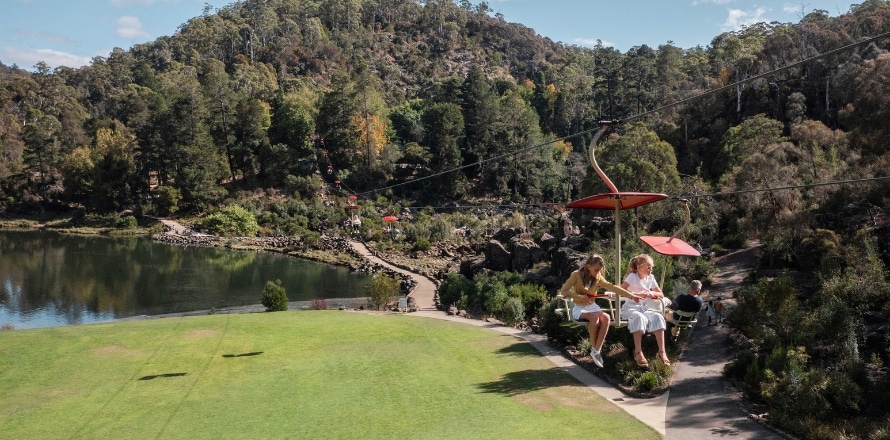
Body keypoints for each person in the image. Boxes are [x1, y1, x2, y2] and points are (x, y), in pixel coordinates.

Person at [559, 254, 642, 368]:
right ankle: (595, 349)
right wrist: (579, 297)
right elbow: (564, 291)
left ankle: (596, 351)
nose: (598, 272)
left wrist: (631, 295)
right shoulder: (576, 275)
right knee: (594, 318)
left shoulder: (598, 277)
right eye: (596, 270)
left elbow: (612, 287)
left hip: (592, 306)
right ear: (588, 266)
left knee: (606, 318)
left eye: (600, 270)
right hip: (579, 307)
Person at [620, 254, 670, 367]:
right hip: (630, 308)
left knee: (658, 317)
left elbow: (661, 294)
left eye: (651, 267)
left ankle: (662, 352)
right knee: (639, 317)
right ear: (639, 267)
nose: (650, 269)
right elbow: (620, 291)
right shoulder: (633, 277)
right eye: (648, 267)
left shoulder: (650, 278)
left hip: (643, 308)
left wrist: (650, 293)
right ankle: (638, 352)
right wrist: (635, 295)